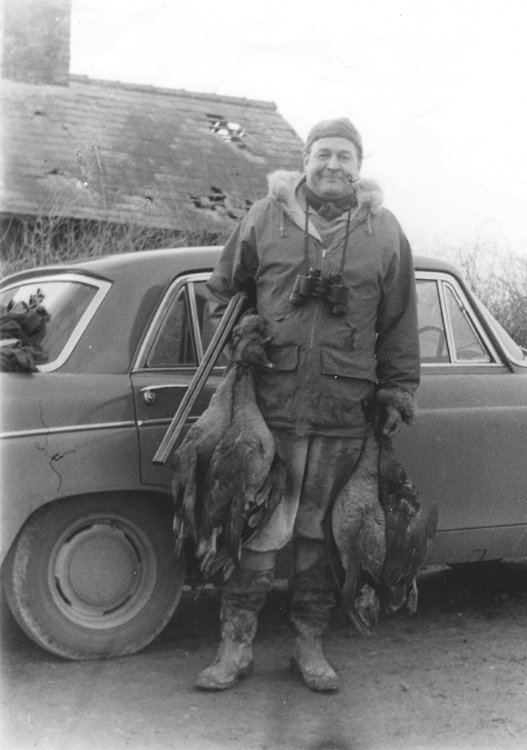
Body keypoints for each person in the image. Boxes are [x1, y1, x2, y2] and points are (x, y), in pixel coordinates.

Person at [197, 117, 420, 693]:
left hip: (345, 413)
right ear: (305, 158)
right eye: (324, 154)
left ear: (359, 165)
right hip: (267, 408)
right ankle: (235, 647)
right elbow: (221, 290)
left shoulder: (386, 232)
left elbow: (398, 324)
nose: (333, 165)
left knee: (322, 538)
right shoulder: (263, 216)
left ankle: (309, 647)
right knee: (257, 532)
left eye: (345, 156)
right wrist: (242, 327)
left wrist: (397, 390)